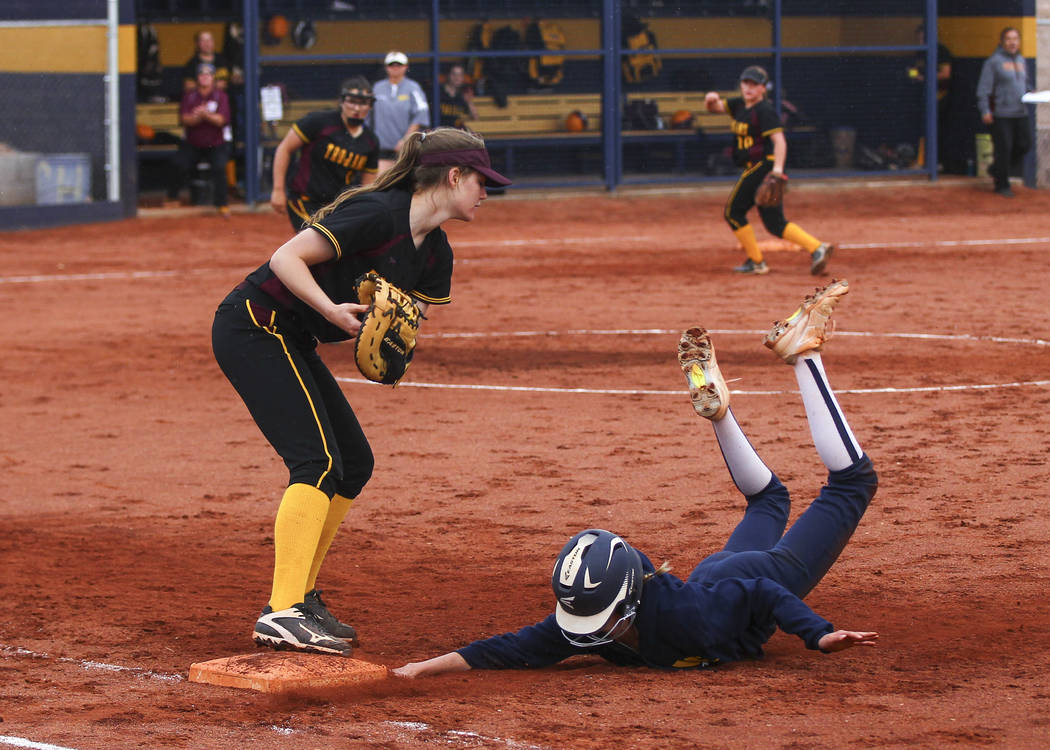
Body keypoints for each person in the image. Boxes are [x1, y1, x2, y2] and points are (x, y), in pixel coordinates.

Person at [393, 279, 879, 677]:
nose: (588, 634)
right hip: (710, 578)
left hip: (747, 584)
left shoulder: (691, 618)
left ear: (628, 602)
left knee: (850, 483)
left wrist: (816, 632)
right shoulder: (593, 610)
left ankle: (805, 357)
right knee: (769, 500)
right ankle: (721, 416)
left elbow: (765, 593)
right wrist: (420, 668)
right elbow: (506, 648)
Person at [211, 128, 511, 656]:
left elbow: (402, 322)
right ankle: (281, 612)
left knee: (354, 461)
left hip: (291, 335)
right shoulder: (378, 211)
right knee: (318, 463)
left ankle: (299, 596)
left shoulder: (435, 252)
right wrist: (330, 311)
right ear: (454, 176)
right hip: (253, 324)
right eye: (481, 181)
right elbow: (285, 258)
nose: (487, 192)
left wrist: (393, 350)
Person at [703, 66, 833, 276]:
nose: (749, 88)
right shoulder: (738, 105)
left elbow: (780, 142)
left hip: (762, 166)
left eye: (754, 84)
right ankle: (817, 247)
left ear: (763, 88)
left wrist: (777, 172)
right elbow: (716, 107)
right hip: (757, 167)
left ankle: (756, 261)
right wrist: (709, 100)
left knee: (733, 212)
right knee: (775, 223)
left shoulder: (764, 110)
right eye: (746, 83)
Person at [270, 76, 380, 232]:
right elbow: (285, 148)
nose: (357, 108)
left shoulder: (370, 141)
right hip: (304, 200)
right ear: (341, 102)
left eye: (363, 103)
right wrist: (278, 189)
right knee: (318, 241)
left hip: (337, 206)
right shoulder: (319, 122)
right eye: (352, 102)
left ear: (370, 106)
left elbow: (367, 184)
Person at [165, 63, 231, 216]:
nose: (205, 77)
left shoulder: (221, 96)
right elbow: (184, 119)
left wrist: (204, 115)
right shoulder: (190, 96)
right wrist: (201, 116)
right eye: (202, 74)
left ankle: (222, 204)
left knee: (220, 167)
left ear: (213, 78)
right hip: (193, 143)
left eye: (208, 74)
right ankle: (172, 197)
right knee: (178, 163)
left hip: (215, 144)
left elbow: (221, 120)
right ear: (197, 78)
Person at [976, 27, 1032, 197]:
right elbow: (983, 89)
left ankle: (996, 169)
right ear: (1002, 42)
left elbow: (1025, 84)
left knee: (1024, 144)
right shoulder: (993, 62)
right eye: (1008, 39)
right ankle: (1002, 184)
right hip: (1001, 114)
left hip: (1021, 112)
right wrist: (985, 110)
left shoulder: (1021, 60)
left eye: (1015, 38)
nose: (1012, 42)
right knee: (1003, 148)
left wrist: (1032, 92)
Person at [367, 51, 431, 175]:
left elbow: (421, 115)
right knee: (380, 182)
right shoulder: (377, 88)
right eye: (391, 65)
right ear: (386, 67)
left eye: (399, 65)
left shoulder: (413, 88)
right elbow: (368, 115)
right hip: (381, 147)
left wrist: (406, 139)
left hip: (405, 148)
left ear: (406, 67)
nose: (395, 68)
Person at [907, 24, 953, 170]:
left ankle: (937, 162)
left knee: (937, 129)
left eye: (923, 37)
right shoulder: (919, 53)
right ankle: (922, 161)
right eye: (918, 37)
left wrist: (926, 77)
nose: (920, 40)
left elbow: (946, 73)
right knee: (922, 128)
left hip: (940, 96)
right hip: (922, 96)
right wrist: (913, 75)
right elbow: (913, 72)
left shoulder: (942, 51)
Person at [439, 64, 479, 129]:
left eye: (460, 75)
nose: (457, 78)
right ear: (448, 75)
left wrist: (469, 102)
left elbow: (475, 117)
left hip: (455, 134)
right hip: (438, 133)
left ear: (463, 77)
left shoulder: (462, 95)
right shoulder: (438, 92)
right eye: (454, 74)